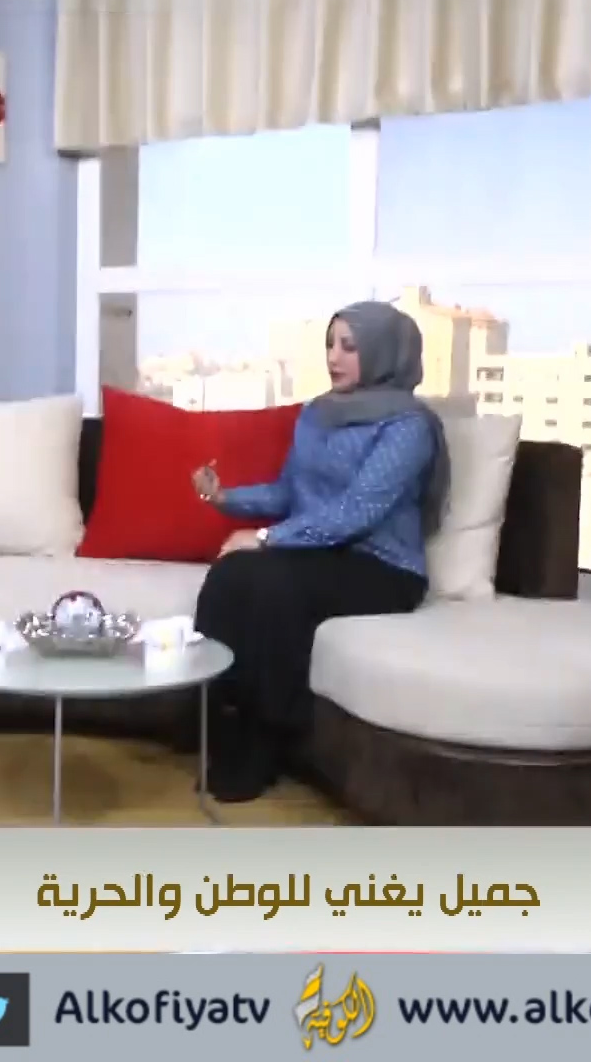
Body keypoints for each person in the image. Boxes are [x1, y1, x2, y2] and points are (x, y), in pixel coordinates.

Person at [188, 300, 449, 803]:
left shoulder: (408, 427)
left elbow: (356, 512)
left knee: (273, 585)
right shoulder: (317, 414)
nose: (334, 357)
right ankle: (217, 717)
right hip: (318, 553)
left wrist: (266, 538)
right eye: (330, 344)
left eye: (349, 346)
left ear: (382, 352)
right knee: (230, 575)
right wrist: (224, 498)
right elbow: (290, 492)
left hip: (381, 566)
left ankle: (271, 736)